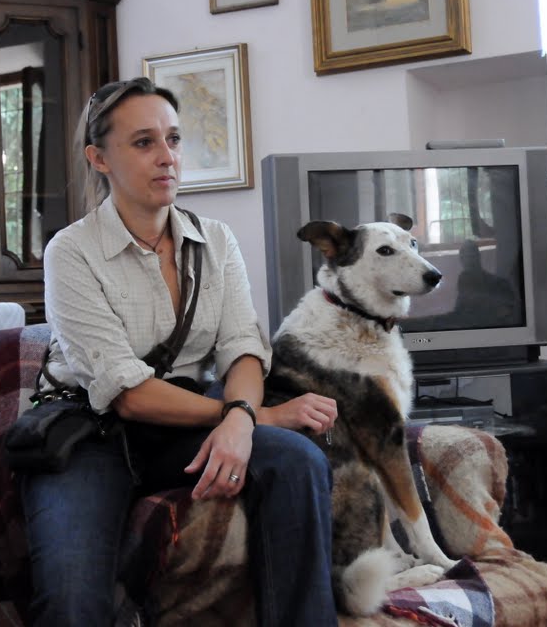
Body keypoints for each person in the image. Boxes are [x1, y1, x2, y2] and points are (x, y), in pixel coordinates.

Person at [21, 76, 340, 627]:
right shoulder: (70, 251)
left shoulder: (216, 240)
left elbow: (243, 349)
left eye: (173, 139)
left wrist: (240, 421)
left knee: (297, 461)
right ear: (99, 158)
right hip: (91, 431)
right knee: (71, 596)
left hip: (181, 423)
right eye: (143, 142)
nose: (166, 156)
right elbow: (128, 394)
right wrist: (256, 415)